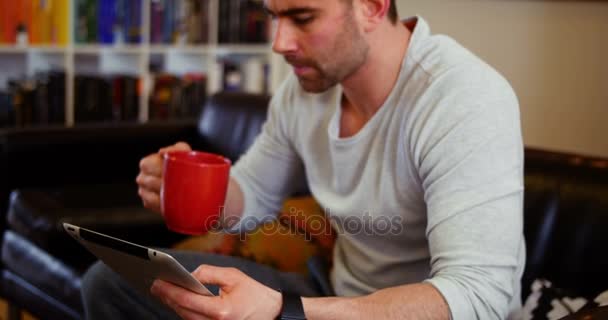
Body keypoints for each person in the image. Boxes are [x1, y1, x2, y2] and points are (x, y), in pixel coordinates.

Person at [82, 0, 525, 319]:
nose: (280, 42)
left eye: (302, 17)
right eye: (275, 15)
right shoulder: (305, 92)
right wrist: (186, 190)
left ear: (371, 7)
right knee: (111, 283)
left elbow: (479, 297)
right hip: (333, 294)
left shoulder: (463, 98)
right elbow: (251, 195)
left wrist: (284, 311)